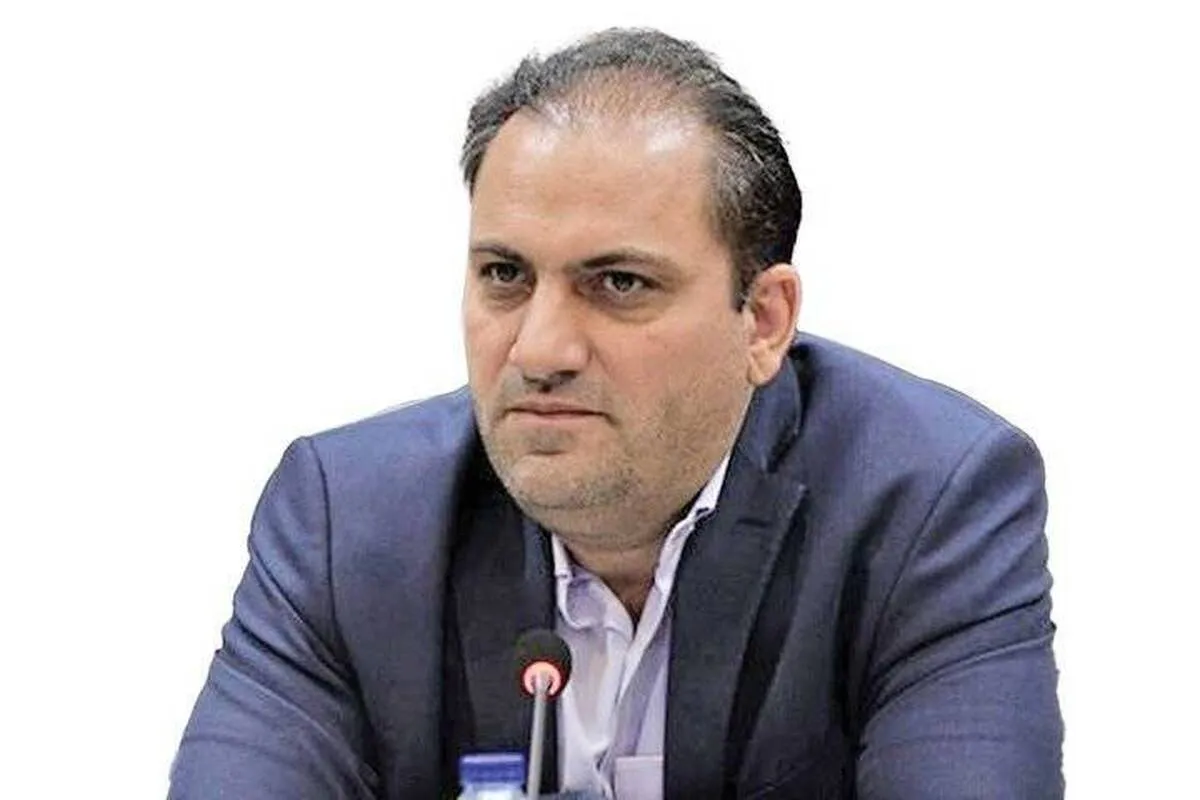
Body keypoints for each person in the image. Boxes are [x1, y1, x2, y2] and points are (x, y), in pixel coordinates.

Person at [169, 28, 1063, 799]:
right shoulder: (347, 523)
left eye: (620, 284)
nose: (540, 350)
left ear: (763, 321)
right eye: (505, 276)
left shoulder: (930, 506)